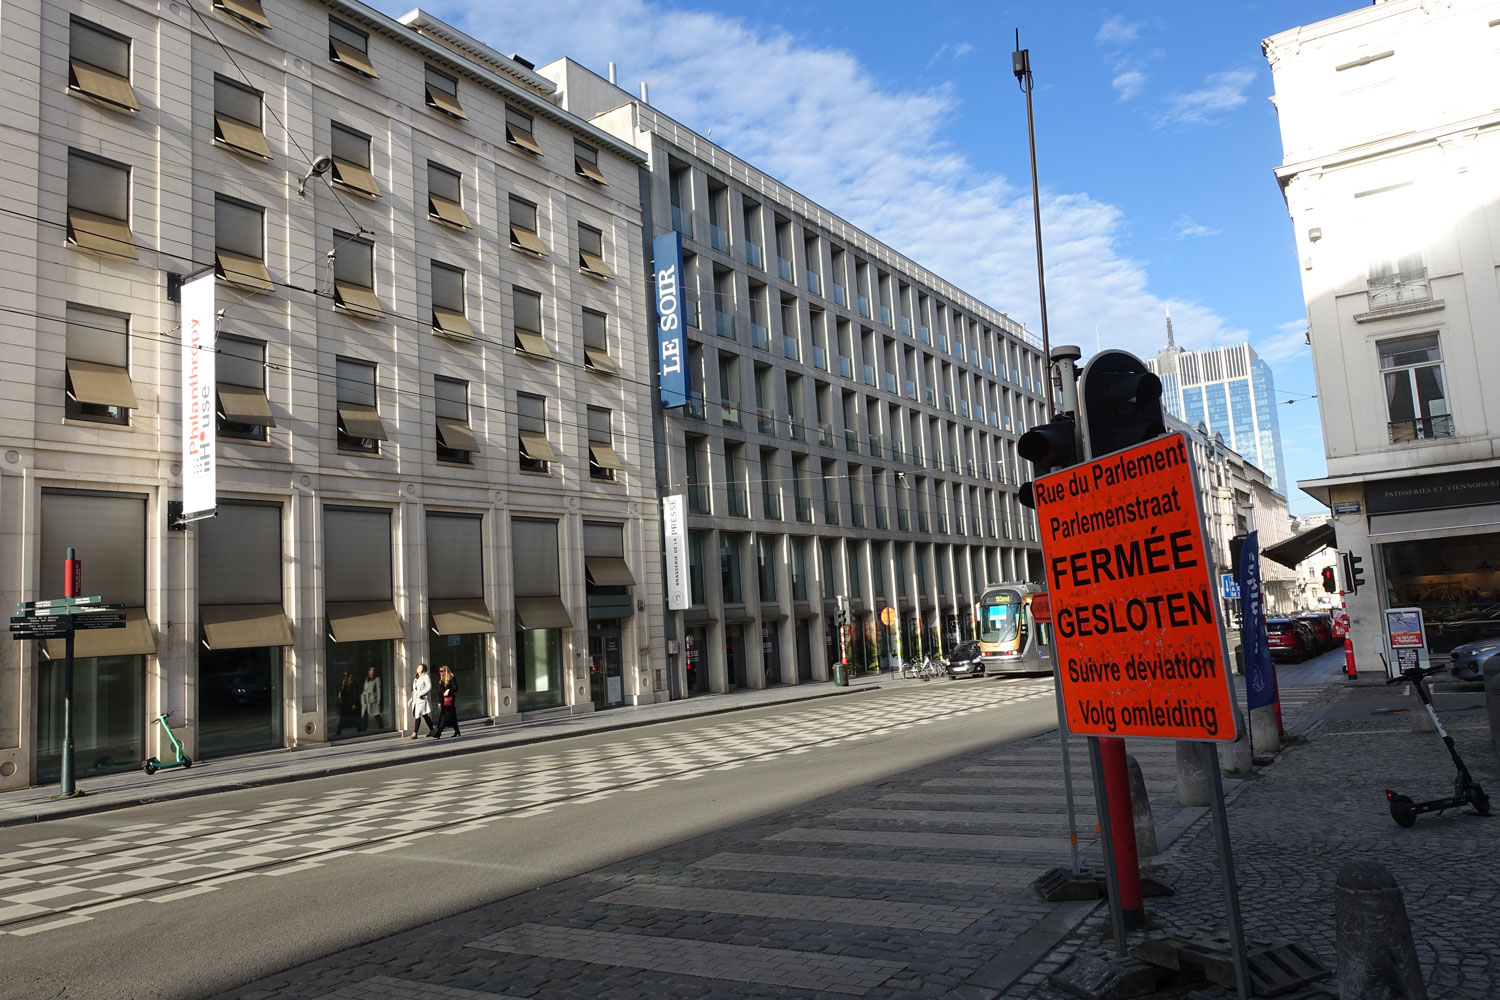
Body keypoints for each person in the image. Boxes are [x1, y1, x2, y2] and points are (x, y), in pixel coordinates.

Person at [431, 665, 460, 739]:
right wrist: (440, 702)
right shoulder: (441, 681)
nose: (440, 673)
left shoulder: (451, 678)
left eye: (441, 671)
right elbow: (440, 692)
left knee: (444, 716)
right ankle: (457, 730)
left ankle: (439, 732)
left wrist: (449, 690)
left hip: (449, 701)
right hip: (444, 701)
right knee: (452, 716)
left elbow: (455, 688)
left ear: (445, 671)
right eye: (439, 671)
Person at [408, 663, 434, 739]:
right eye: (418, 666)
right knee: (425, 715)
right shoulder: (416, 678)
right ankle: (432, 730)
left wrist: (421, 694)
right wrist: (411, 700)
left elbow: (429, 687)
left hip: (422, 699)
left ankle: (415, 733)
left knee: (417, 715)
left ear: (423, 669)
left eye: (420, 667)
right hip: (417, 700)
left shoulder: (425, 676)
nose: (418, 668)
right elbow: (414, 691)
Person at [360, 665, 383, 732]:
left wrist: (378, 699)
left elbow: (378, 689)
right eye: (370, 670)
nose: (371, 672)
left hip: (373, 699)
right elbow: (365, 688)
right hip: (365, 700)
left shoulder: (377, 679)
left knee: (376, 714)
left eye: (372, 670)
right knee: (365, 715)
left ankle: (382, 727)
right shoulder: (367, 679)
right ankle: (363, 730)